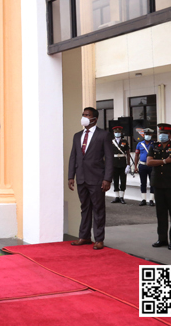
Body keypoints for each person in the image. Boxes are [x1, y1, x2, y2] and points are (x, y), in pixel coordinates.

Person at [68, 107, 113, 250]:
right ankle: (84, 236)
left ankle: (99, 239)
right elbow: (73, 157)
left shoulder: (103, 135)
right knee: (85, 208)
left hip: (97, 179)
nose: (84, 117)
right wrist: (71, 176)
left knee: (98, 209)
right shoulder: (77, 136)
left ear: (95, 118)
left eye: (87, 115)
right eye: (83, 115)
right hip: (81, 178)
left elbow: (110, 159)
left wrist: (107, 179)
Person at [147, 123, 171, 250]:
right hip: (158, 184)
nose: (163, 135)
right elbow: (149, 162)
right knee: (161, 213)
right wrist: (165, 161)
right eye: (161, 133)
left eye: (166, 133)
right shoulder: (154, 146)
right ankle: (162, 239)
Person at [110, 126, 132, 204]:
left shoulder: (124, 141)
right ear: (113, 133)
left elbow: (128, 154)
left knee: (123, 180)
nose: (117, 133)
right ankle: (116, 196)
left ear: (121, 133)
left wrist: (128, 165)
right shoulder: (111, 142)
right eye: (116, 132)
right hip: (114, 163)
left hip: (123, 164)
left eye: (118, 132)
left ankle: (122, 197)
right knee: (115, 180)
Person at [135, 128, 156, 206]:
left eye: (149, 134)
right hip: (142, 165)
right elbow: (137, 155)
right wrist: (135, 166)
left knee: (152, 182)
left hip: (151, 165)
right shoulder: (140, 144)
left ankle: (151, 200)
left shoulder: (154, 144)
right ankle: (143, 199)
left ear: (151, 135)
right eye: (146, 134)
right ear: (144, 135)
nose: (148, 136)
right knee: (143, 182)